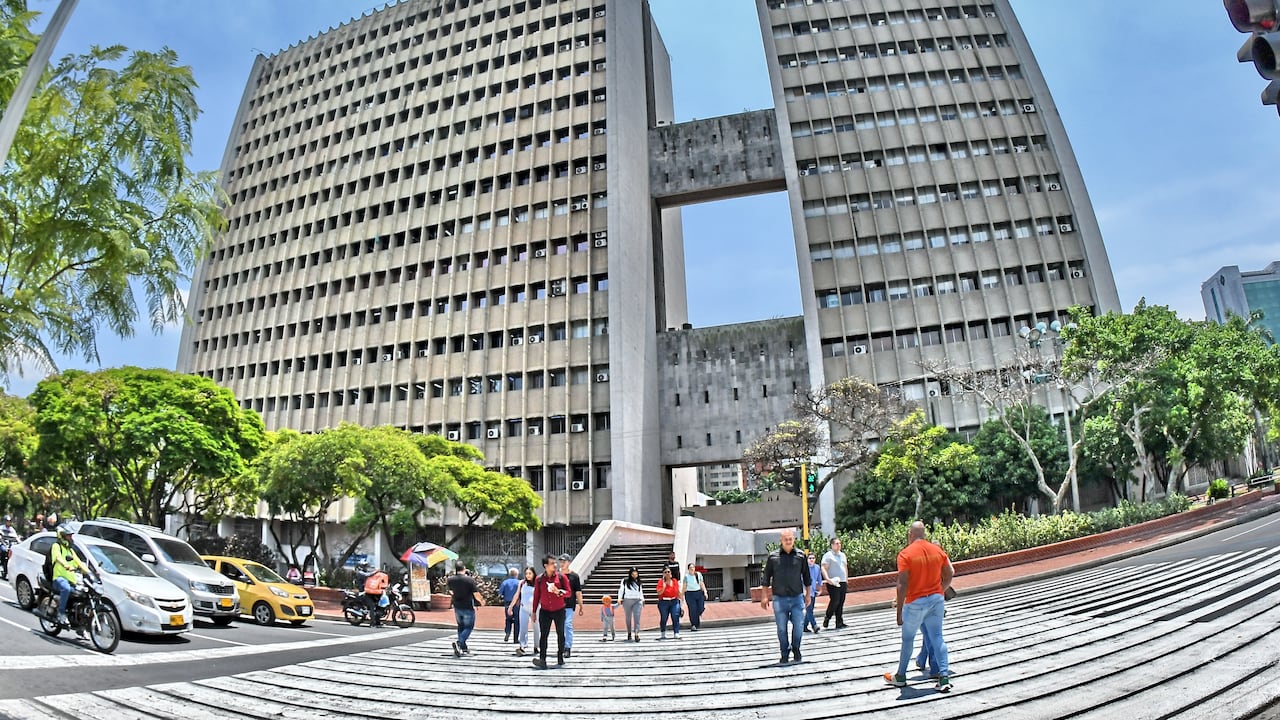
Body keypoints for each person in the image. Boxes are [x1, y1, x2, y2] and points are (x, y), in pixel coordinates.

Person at [884, 521, 953, 693]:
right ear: (924, 534)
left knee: (908, 639)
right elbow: (950, 573)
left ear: (910, 534)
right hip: (936, 600)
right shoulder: (937, 550)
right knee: (938, 637)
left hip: (915, 602)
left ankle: (900, 676)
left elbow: (902, 585)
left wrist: (899, 612)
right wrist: (940, 590)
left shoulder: (905, 554)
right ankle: (944, 678)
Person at [760, 529, 811, 664]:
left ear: (793, 539)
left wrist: (808, 595)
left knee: (799, 626)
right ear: (781, 541)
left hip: (797, 597)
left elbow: (806, 576)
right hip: (779, 599)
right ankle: (784, 652)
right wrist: (764, 596)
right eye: (785, 539)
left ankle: (796, 648)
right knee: (781, 628)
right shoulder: (773, 557)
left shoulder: (800, 556)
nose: (788, 541)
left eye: (790, 539)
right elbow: (766, 578)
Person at [531, 554, 570, 669]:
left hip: (559, 610)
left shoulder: (562, 577)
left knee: (560, 633)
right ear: (545, 565)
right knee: (544, 635)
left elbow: (569, 592)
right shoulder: (539, 579)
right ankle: (542, 659)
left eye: (555, 563)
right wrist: (534, 612)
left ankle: (560, 657)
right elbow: (536, 596)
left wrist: (560, 591)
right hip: (545, 611)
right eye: (552, 563)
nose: (555, 565)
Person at [51, 526, 89, 627]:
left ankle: (80, 624)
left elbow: (79, 562)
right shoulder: (56, 546)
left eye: (71, 536)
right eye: (68, 536)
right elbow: (58, 557)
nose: (71, 538)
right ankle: (61, 613)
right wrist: (66, 565)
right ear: (62, 536)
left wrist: (89, 572)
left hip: (72, 580)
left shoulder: (70, 550)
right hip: (59, 578)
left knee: (83, 595)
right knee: (66, 589)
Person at [446, 562, 484, 657]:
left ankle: (463, 647)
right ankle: (459, 642)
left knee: (461, 626)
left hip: (457, 606)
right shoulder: (469, 580)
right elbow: (476, 593)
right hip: (467, 606)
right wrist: (481, 601)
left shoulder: (451, 580)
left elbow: (450, 591)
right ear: (464, 568)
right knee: (468, 627)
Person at [557, 553, 583, 657]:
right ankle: (561, 646)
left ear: (569, 562)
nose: (562, 563)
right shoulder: (555, 575)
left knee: (567, 625)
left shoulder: (574, 576)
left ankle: (567, 647)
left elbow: (578, 592)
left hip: (569, 604)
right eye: (561, 561)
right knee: (560, 627)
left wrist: (581, 605)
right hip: (557, 605)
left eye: (564, 561)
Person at [509, 567, 539, 656]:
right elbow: (517, 595)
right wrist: (511, 607)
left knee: (537, 628)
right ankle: (522, 645)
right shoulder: (522, 583)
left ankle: (537, 646)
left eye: (530, 573)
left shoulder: (538, 583)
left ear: (533, 574)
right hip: (523, 608)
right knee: (523, 627)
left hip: (536, 609)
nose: (528, 575)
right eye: (526, 573)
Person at [821, 537, 849, 629]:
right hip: (833, 582)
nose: (839, 545)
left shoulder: (842, 555)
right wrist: (827, 579)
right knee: (835, 600)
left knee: (841, 601)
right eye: (837, 544)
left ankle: (839, 622)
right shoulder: (828, 556)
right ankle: (828, 617)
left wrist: (846, 579)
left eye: (839, 543)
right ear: (832, 545)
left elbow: (845, 567)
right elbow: (824, 567)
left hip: (842, 581)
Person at [617, 566, 644, 642]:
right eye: (633, 574)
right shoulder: (625, 581)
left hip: (637, 600)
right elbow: (621, 590)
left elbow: (640, 591)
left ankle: (636, 633)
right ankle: (629, 632)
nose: (634, 575)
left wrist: (642, 599)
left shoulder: (639, 582)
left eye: (636, 574)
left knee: (637, 616)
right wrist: (619, 598)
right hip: (627, 600)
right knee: (628, 617)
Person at [655, 566, 682, 640]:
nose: (667, 573)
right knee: (664, 617)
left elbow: (678, 592)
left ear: (671, 573)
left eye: (668, 572)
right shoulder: (661, 582)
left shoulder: (675, 581)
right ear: (663, 574)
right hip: (664, 602)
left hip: (674, 601)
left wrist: (681, 599)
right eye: (665, 572)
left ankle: (676, 633)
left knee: (675, 616)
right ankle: (663, 633)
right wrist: (663, 587)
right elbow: (659, 593)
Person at [680, 562, 706, 631]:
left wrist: (705, 592)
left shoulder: (698, 574)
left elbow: (702, 583)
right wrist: (681, 595)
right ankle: (694, 624)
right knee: (692, 609)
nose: (692, 569)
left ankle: (697, 619)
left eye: (693, 567)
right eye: (690, 568)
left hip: (699, 593)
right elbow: (684, 586)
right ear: (688, 569)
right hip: (689, 594)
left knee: (701, 607)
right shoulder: (686, 576)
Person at [498, 567, 521, 643]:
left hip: (507, 603)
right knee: (517, 621)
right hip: (517, 604)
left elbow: (500, 593)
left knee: (508, 619)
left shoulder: (505, 582)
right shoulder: (519, 583)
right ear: (517, 574)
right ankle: (516, 638)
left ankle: (507, 632)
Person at [803, 552, 822, 633]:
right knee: (809, 609)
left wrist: (820, 589)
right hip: (806, 592)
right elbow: (801, 580)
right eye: (810, 558)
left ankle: (804, 626)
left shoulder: (817, 567)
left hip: (813, 591)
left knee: (810, 610)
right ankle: (814, 625)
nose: (812, 560)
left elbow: (819, 579)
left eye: (813, 558)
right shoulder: (804, 568)